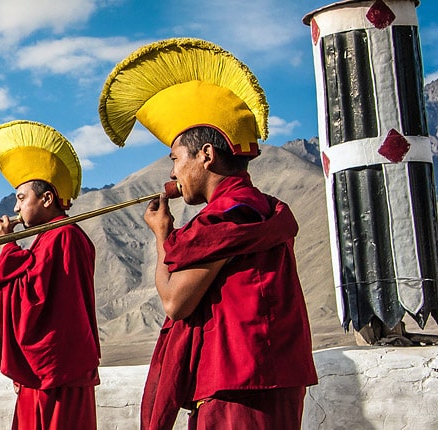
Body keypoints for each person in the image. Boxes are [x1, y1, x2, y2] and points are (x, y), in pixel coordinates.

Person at [98, 38, 318, 429]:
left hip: (238, 384)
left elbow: (175, 302)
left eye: (176, 159)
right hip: (270, 376)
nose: (172, 173)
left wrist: (162, 235)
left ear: (206, 155)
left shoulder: (229, 216)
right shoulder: (263, 207)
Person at [0, 120, 100, 429]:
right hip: (44, 375)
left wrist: (8, 247)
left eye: (20, 197)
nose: (15, 209)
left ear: (47, 199)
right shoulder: (49, 238)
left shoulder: (63, 237)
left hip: (57, 375)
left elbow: (32, 300)